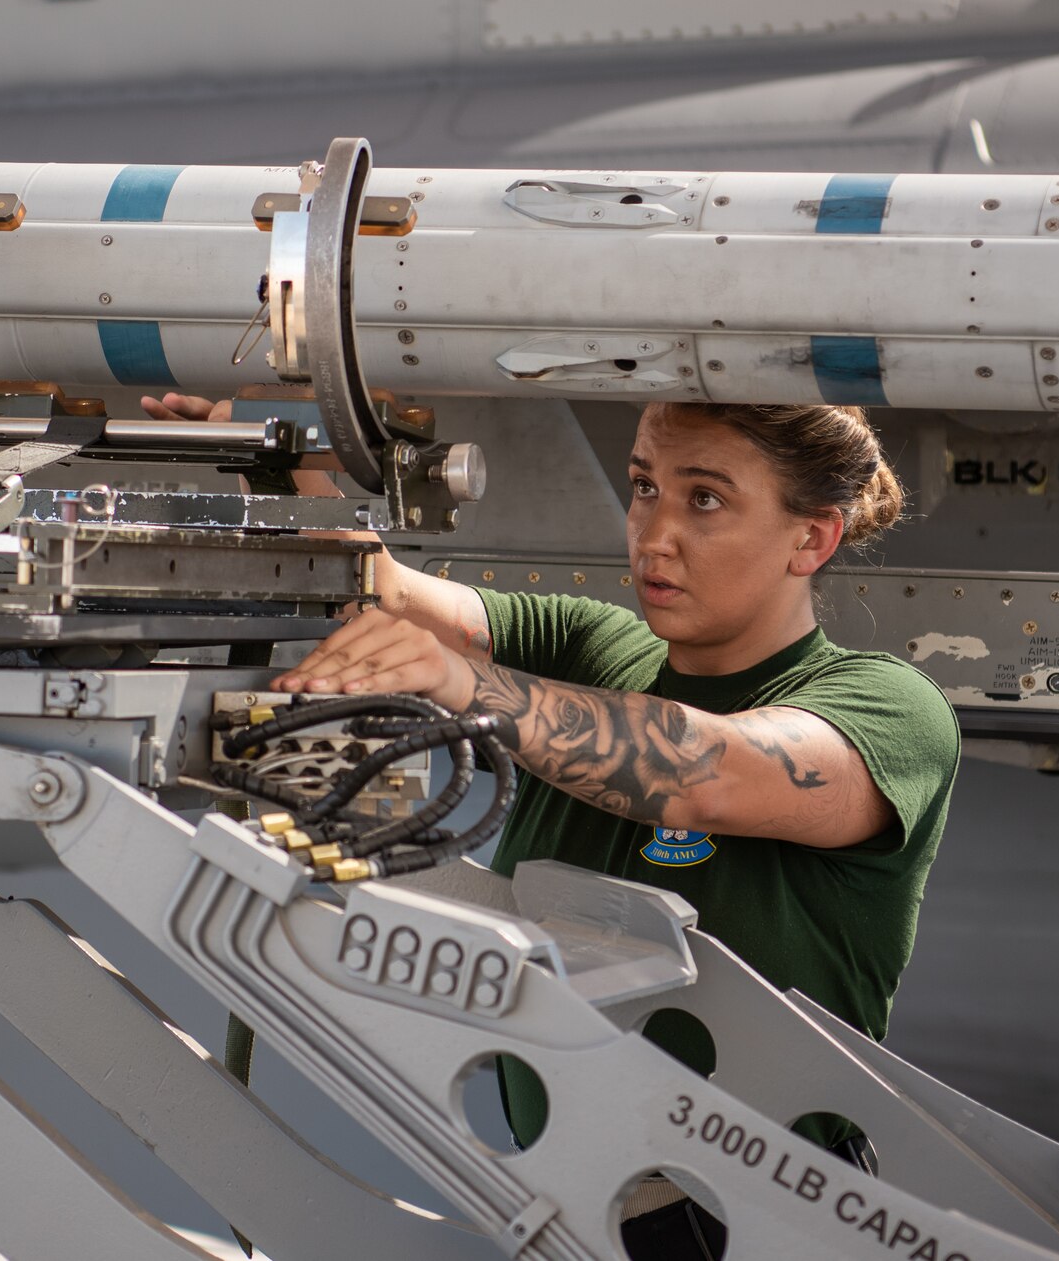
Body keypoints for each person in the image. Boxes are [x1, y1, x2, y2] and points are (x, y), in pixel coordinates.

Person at [146, 392, 959, 1259]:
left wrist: (466, 686)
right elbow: (381, 590)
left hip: (758, 1222)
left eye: (706, 499)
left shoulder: (889, 707)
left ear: (814, 538)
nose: (655, 533)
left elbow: (707, 773)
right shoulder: (593, 647)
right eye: (645, 487)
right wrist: (278, 451)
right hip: (563, 1206)